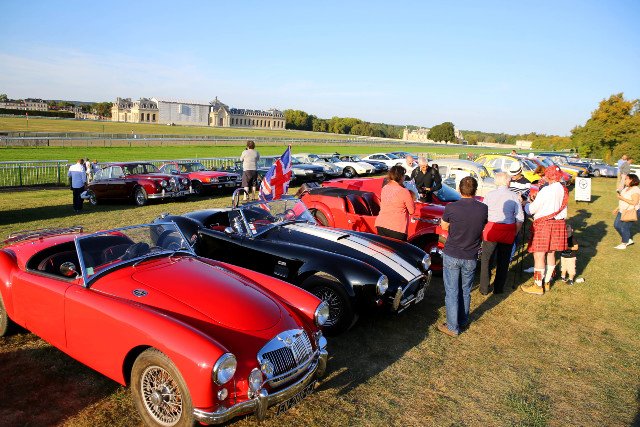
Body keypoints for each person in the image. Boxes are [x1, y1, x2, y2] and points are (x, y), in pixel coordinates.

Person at [438, 176, 488, 336]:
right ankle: (463, 319)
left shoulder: (451, 207)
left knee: (452, 291)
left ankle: (452, 327)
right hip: (470, 254)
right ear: (475, 190)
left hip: (453, 253)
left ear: (459, 190)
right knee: (465, 290)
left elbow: (444, 226)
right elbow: (483, 225)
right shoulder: (483, 208)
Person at [520, 165, 568, 295]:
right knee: (551, 253)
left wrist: (526, 204)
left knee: (539, 255)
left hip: (544, 224)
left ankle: (537, 285)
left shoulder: (546, 190)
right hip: (559, 223)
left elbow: (532, 209)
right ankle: (547, 282)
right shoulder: (564, 189)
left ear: (549, 175)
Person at [479, 172, 524, 295]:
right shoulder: (513, 196)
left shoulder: (489, 195)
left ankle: (484, 288)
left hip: (492, 228)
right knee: (503, 261)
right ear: (507, 182)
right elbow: (520, 218)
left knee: (486, 259)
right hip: (507, 230)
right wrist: (515, 232)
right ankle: (498, 288)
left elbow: (483, 213)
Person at [375, 165, 415, 241]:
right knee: (398, 248)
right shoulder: (404, 191)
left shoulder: (385, 188)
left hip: (381, 223)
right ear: (400, 176)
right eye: (403, 175)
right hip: (396, 227)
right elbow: (411, 211)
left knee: (384, 247)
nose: (404, 177)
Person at [613, 173, 640, 249]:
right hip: (622, 210)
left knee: (624, 227)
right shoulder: (626, 188)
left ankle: (624, 243)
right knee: (617, 225)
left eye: (626, 179)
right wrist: (617, 208)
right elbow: (623, 201)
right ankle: (628, 239)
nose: (625, 180)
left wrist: (622, 198)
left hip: (632, 211)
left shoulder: (635, 190)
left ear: (632, 180)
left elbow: (634, 202)